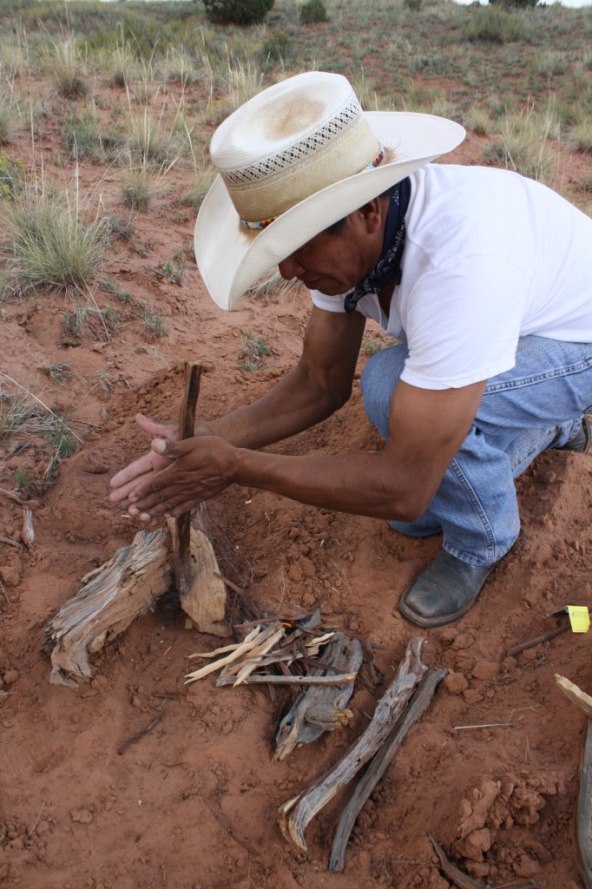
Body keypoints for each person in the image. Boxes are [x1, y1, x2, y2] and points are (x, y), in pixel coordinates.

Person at [110, 71, 592, 628]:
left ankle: (482, 540)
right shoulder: (357, 241)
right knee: (409, 430)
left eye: (298, 245)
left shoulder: (463, 266)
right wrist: (209, 436)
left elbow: (404, 490)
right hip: (526, 319)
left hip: (580, 345)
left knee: (390, 392)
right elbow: (321, 381)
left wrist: (236, 467)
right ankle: (551, 426)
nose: (288, 271)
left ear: (367, 212)